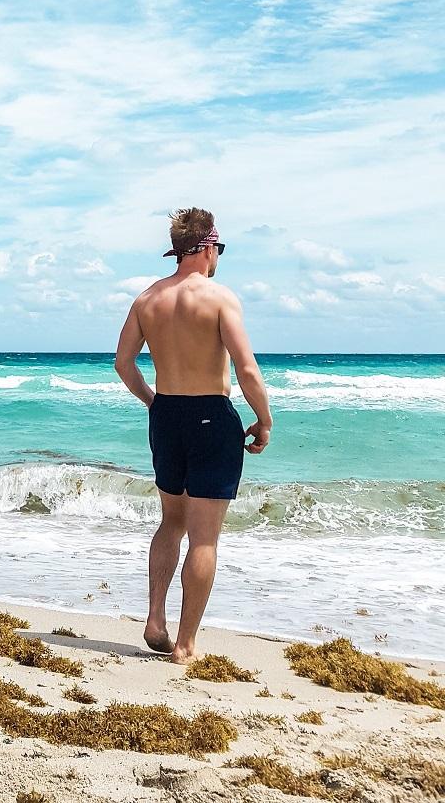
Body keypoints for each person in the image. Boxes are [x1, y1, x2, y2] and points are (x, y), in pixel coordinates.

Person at [114, 207, 272, 663]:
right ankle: (184, 645)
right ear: (206, 247)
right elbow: (245, 368)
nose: (218, 257)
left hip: (167, 416)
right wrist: (265, 420)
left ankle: (155, 618)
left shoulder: (147, 299)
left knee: (171, 520)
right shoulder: (220, 298)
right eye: (218, 250)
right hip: (210, 415)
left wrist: (153, 402)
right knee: (204, 537)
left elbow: (123, 364)